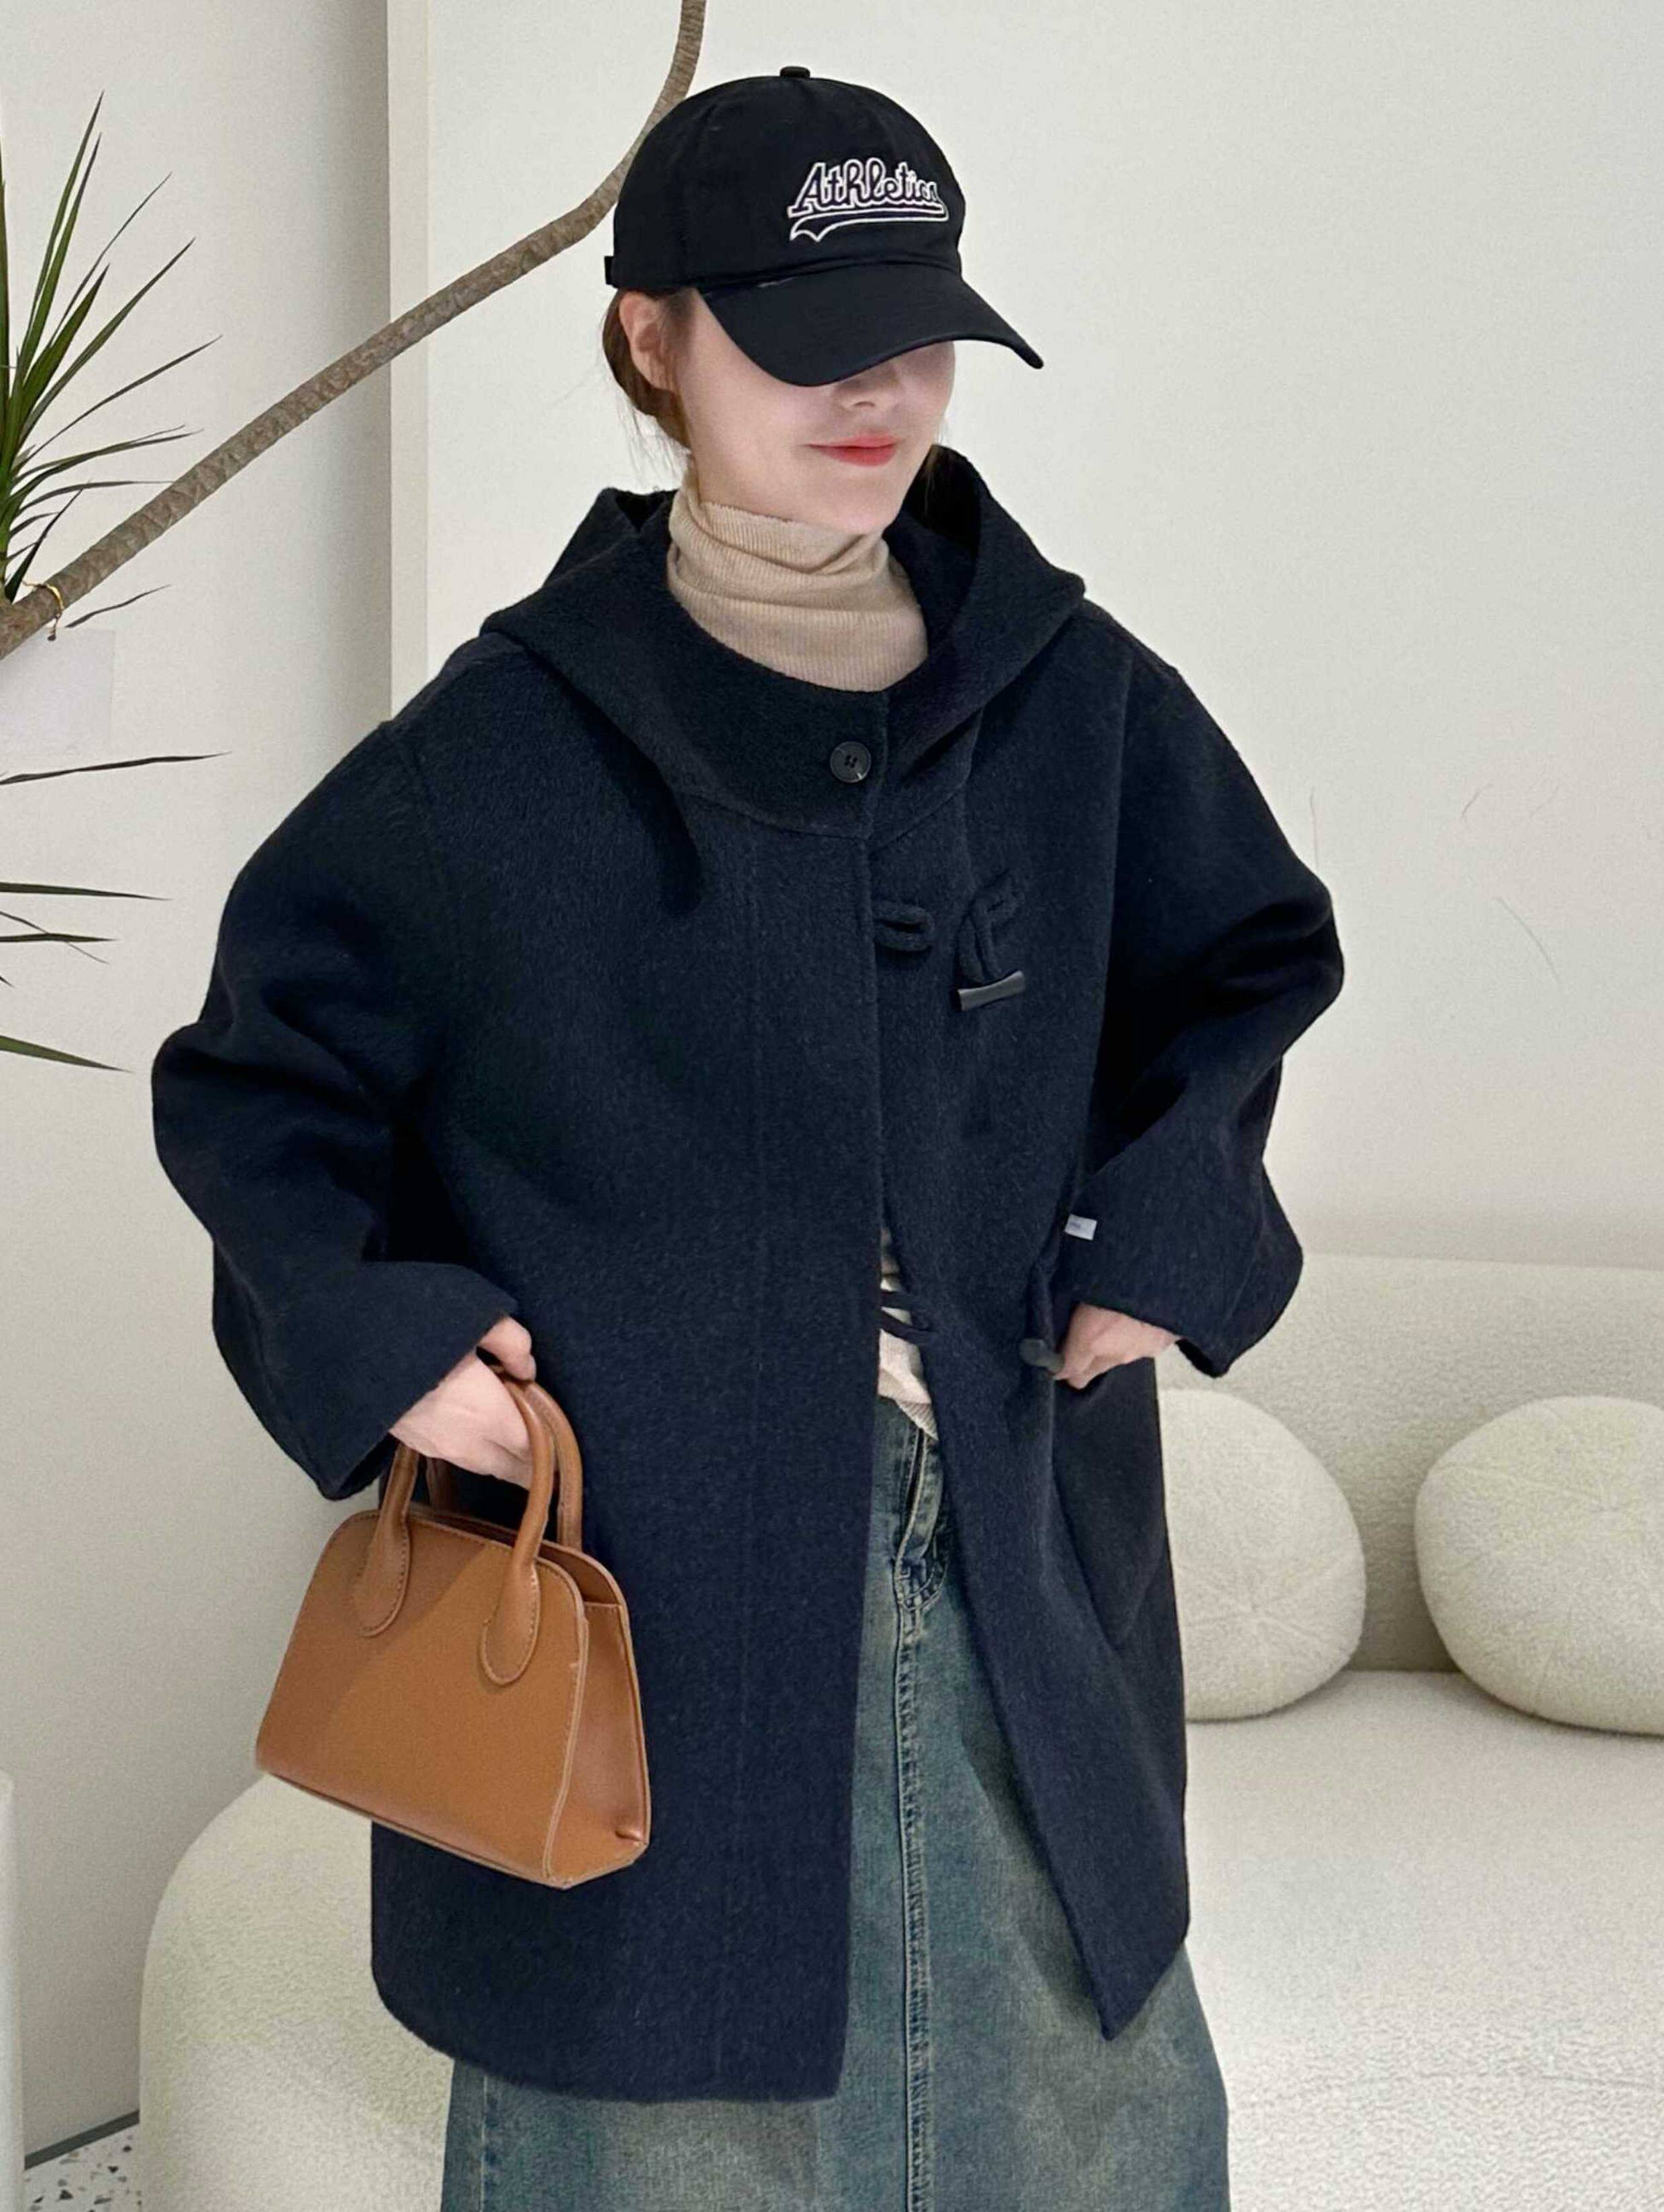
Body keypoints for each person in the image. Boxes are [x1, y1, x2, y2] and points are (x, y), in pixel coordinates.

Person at [150, 66, 1343, 2212]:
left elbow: (1249, 962)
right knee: (658, 2130)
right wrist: (393, 1345)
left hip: (1010, 1543)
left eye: (918, 338)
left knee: (1089, 2114)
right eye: (811, 343)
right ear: (652, 339)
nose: (879, 395)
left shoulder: (1073, 695)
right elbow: (262, 1081)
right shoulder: (509, 742)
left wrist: (1160, 1244)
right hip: (651, 1578)